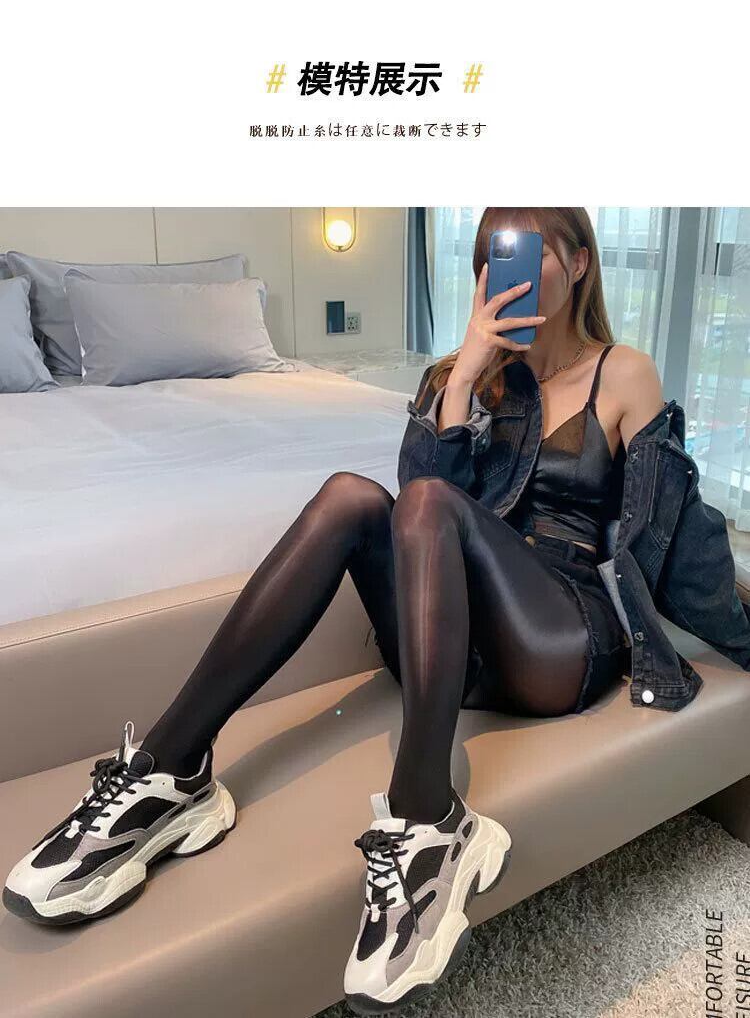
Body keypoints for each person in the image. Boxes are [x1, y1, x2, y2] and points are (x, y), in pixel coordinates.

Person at [3, 207, 664, 1016]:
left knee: (428, 502)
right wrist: (464, 379)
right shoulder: (458, 374)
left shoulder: (623, 374)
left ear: (581, 263)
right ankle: (173, 772)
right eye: (494, 256)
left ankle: (430, 819)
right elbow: (417, 506)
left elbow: (658, 532)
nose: (509, 274)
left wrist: (683, 652)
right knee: (353, 495)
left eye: (530, 254)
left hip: (556, 635)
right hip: (454, 640)